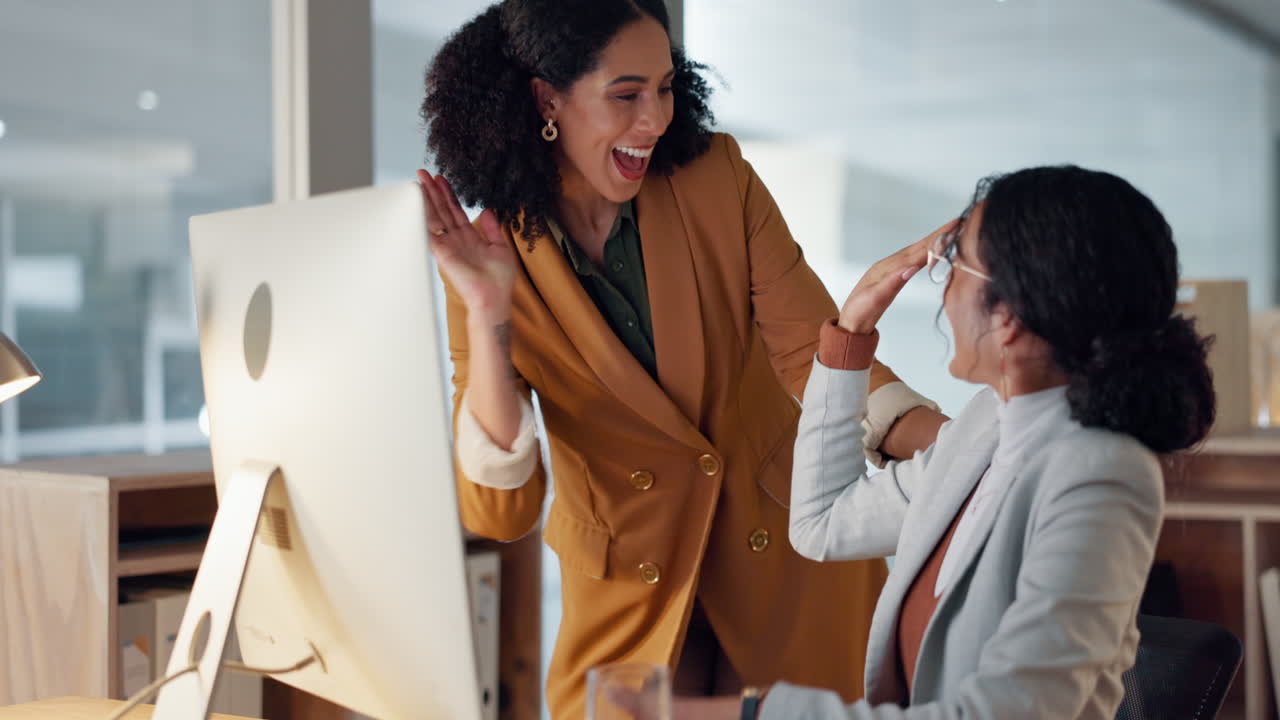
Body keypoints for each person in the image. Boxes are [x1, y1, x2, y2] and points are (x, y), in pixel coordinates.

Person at [415, 0, 946, 716]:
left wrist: (963, 450)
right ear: (548, 99)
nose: (655, 120)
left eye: (665, 88)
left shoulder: (716, 178)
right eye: (627, 95)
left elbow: (811, 352)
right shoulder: (491, 254)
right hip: (628, 603)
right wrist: (487, 311)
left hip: (784, 570)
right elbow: (501, 512)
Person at [676, 166, 1216, 719]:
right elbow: (822, 524)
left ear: (1007, 316)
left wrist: (747, 714)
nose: (941, 288)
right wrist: (851, 333)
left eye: (953, 263)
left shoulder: (1102, 476)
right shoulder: (990, 426)